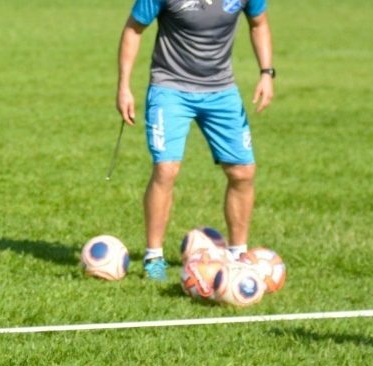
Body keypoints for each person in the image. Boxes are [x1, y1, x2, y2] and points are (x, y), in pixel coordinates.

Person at [116, 0, 274, 281]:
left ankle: (238, 254)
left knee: (242, 172)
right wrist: (124, 86)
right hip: (170, 88)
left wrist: (266, 72)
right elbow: (133, 29)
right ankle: (154, 257)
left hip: (222, 91)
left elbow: (258, 23)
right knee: (166, 170)